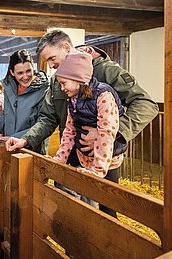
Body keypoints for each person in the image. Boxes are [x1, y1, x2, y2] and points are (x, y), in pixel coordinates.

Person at [5, 29, 159, 217]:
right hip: (71, 155)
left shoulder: (105, 71)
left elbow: (146, 105)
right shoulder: (58, 80)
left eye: (53, 59)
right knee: (68, 212)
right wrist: (27, 139)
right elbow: (48, 117)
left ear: (66, 47)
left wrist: (109, 133)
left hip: (104, 158)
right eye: (49, 62)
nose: (52, 66)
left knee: (105, 213)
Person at [52, 51, 127, 215]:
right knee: (87, 202)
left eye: (64, 83)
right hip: (85, 156)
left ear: (79, 79)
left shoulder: (104, 96)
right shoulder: (73, 98)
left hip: (108, 158)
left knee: (108, 206)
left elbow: (106, 133)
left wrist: (98, 170)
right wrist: (60, 159)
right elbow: (69, 131)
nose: (62, 88)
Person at [0, 49, 50, 154]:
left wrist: (13, 137)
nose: (25, 76)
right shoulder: (8, 87)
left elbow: (43, 124)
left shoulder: (45, 89)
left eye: (28, 71)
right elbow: (5, 115)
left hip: (31, 149)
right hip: (8, 146)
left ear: (33, 68)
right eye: (20, 73)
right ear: (12, 72)